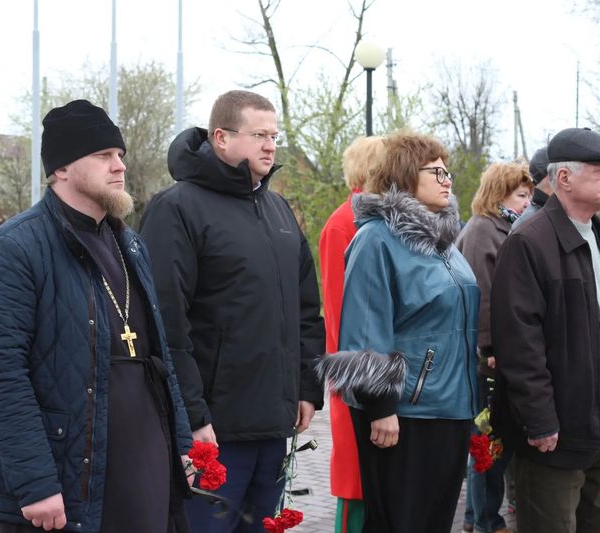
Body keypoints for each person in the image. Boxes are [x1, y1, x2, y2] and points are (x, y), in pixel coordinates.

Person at [0, 100, 193, 533]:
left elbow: (159, 361)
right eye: (103, 155)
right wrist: (35, 483)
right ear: (62, 169)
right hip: (65, 484)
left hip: (139, 478)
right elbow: (0, 375)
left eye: (120, 156)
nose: (119, 166)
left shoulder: (131, 246)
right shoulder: (16, 247)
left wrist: (182, 444)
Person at [139, 90, 325, 533]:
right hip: (213, 434)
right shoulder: (177, 208)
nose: (270, 145)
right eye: (259, 134)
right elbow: (165, 324)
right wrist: (193, 417)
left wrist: (306, 387)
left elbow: (305, 310)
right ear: (220, 137)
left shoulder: (278, 210)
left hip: (273, 427)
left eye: (274, 135)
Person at [317, 131, 479, 533]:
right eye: (436, 171)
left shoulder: (443, 241)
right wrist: (381, 407)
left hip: (451, 407)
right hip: (405, 412)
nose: (447, 180)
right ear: (406, 175)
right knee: (401, 523)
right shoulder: (376, 238)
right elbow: (366, 327)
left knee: (434, 521)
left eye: (448, 172)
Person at [490, 127, 600, 533]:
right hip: (555, 435)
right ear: (564, 179)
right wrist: (541, 419)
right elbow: (520, 345)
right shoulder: (530, 241)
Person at [457, 161, 533, 533]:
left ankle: (476, 516)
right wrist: (489, 346)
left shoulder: (503, 227)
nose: (526, 202)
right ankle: (488, 519)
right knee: (488, 445)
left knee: (491, 443)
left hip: (496, 355)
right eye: (521, 195)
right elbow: (482, 296)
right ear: (499, 193)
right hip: (486, 360)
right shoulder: (483, 230)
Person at [318, 136, 385, 533]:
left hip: (378, 375)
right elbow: (342, 313)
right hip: (358, 378)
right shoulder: (343, 224)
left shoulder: (378, 220)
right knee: (357, 487)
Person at [510, 147, 549, 232]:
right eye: (522, 195)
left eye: (530, 196)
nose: (528, 203)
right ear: (500, 195)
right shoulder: (483, 227)